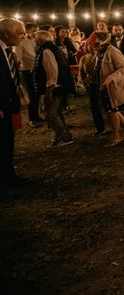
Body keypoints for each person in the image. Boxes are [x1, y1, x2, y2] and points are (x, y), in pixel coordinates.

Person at [33, 31, 74, 147]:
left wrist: (49, 89)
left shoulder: (46, 51)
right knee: (57, 112)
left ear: (40, 40)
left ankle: (63, 137)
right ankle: (63, 135)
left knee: (50, 114)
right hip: (61, 86)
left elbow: (52, 71)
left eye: (36, 39)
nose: (34, 41)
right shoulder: (54, 48)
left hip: (55, 88)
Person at [0, 18, 28, 184]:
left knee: (6, 141)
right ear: (6, 34)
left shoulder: (8, 50)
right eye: (20, 34)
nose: (23, 37)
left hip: (9, 104)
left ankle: (8, 175)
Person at [95, 32, 124, 147]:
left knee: (112, 110)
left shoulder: (113, 51)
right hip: (106, 86)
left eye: (95, 41)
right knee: (113, 109)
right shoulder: (100, 52)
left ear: (103, 41)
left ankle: (116, 136)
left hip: (114, 86)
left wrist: (110, 78)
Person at [78, 41, 106, 136]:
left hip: (104, 84)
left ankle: (119, 126)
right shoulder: (84, 58)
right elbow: (81, 73)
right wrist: (85, 83)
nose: (92, 47)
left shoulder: (102, 56)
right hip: (93, 86)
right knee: (95, 108)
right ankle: (100, 128)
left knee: (109, 107)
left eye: (94, 45)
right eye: (89, 45)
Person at [16, 22, 41, 127]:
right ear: (28, 30)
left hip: (37, 70)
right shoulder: (21, 42)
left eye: (37, 30)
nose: (36, 32)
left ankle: (37, 115)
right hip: (27, 71)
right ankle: (32, 118)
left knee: (38, 94)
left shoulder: (36, 42)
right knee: (32, 94)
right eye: (34, 30)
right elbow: (18, 58)